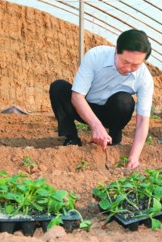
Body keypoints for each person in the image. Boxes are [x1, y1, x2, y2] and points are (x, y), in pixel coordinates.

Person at [49, 29, 154, 169]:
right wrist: (96, 126)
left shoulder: (144, 78)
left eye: (136, 65)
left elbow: (142, 121)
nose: (129, 68)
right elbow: (77, 96)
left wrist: (134, 156)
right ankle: (71, 138)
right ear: (116, 50)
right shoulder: (96, 56)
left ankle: (114, 138)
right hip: (85, 109)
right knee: (59, 87)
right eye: (125, 62)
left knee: (124, 100)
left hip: (112, 113)